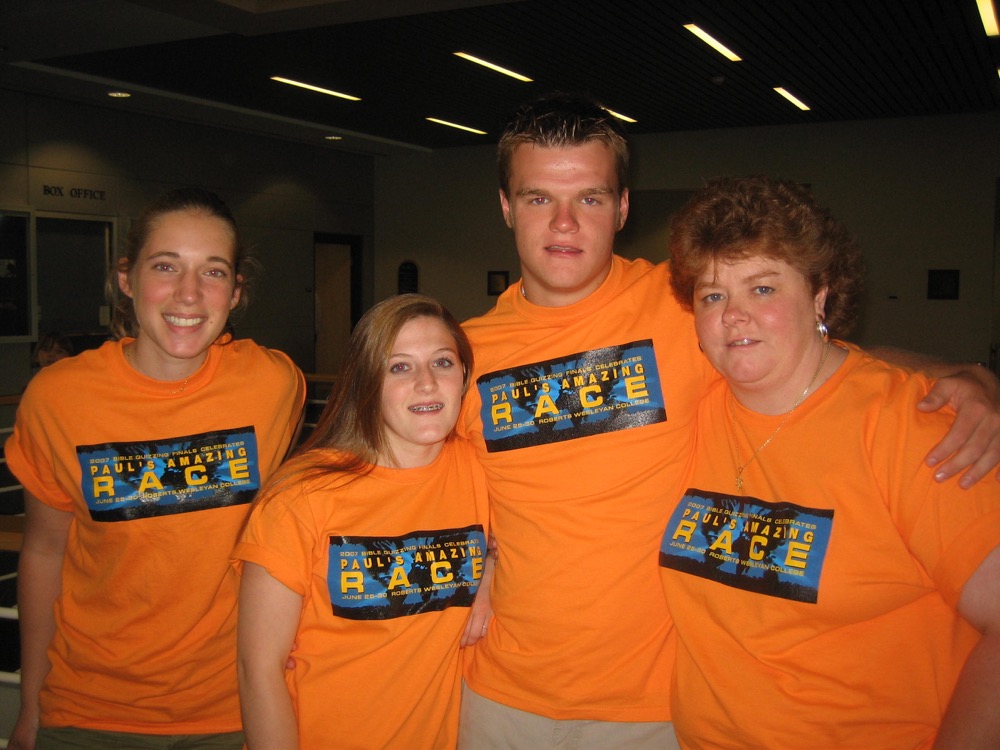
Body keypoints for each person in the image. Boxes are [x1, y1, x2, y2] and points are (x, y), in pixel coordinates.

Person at [456, 93, 1000, 748]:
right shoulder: (462, 356)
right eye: (539, 198)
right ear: (506, 206)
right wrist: (479, 559)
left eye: (590, 198)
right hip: (501, 693)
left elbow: (813, 352)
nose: (564, 223)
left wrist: (968, 378)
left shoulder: (685, 301)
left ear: (622, 207)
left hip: (652, 709)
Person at [659, 175, 1000, 748]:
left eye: (762, 288)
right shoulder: (694, 408)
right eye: (713, 295)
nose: (733, 315)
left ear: (819, 295)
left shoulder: (910, 426)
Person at [5, 187, 306, 750]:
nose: (188, 293)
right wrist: (31, 703)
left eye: (213, 272)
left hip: (234, 709)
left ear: (236, 292)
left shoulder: (274, 384)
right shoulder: (58, 399)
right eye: (165, 266)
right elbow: (44, 552)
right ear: (126, 278)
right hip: (88, 711)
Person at [235, 293, 490, 750]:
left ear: (464, 377)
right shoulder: (302, 494)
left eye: (442, 362)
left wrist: (492, 568)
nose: (427, 383)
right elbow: (259, 669)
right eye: (400, 367)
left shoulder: (482, 470)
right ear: (366, 382)